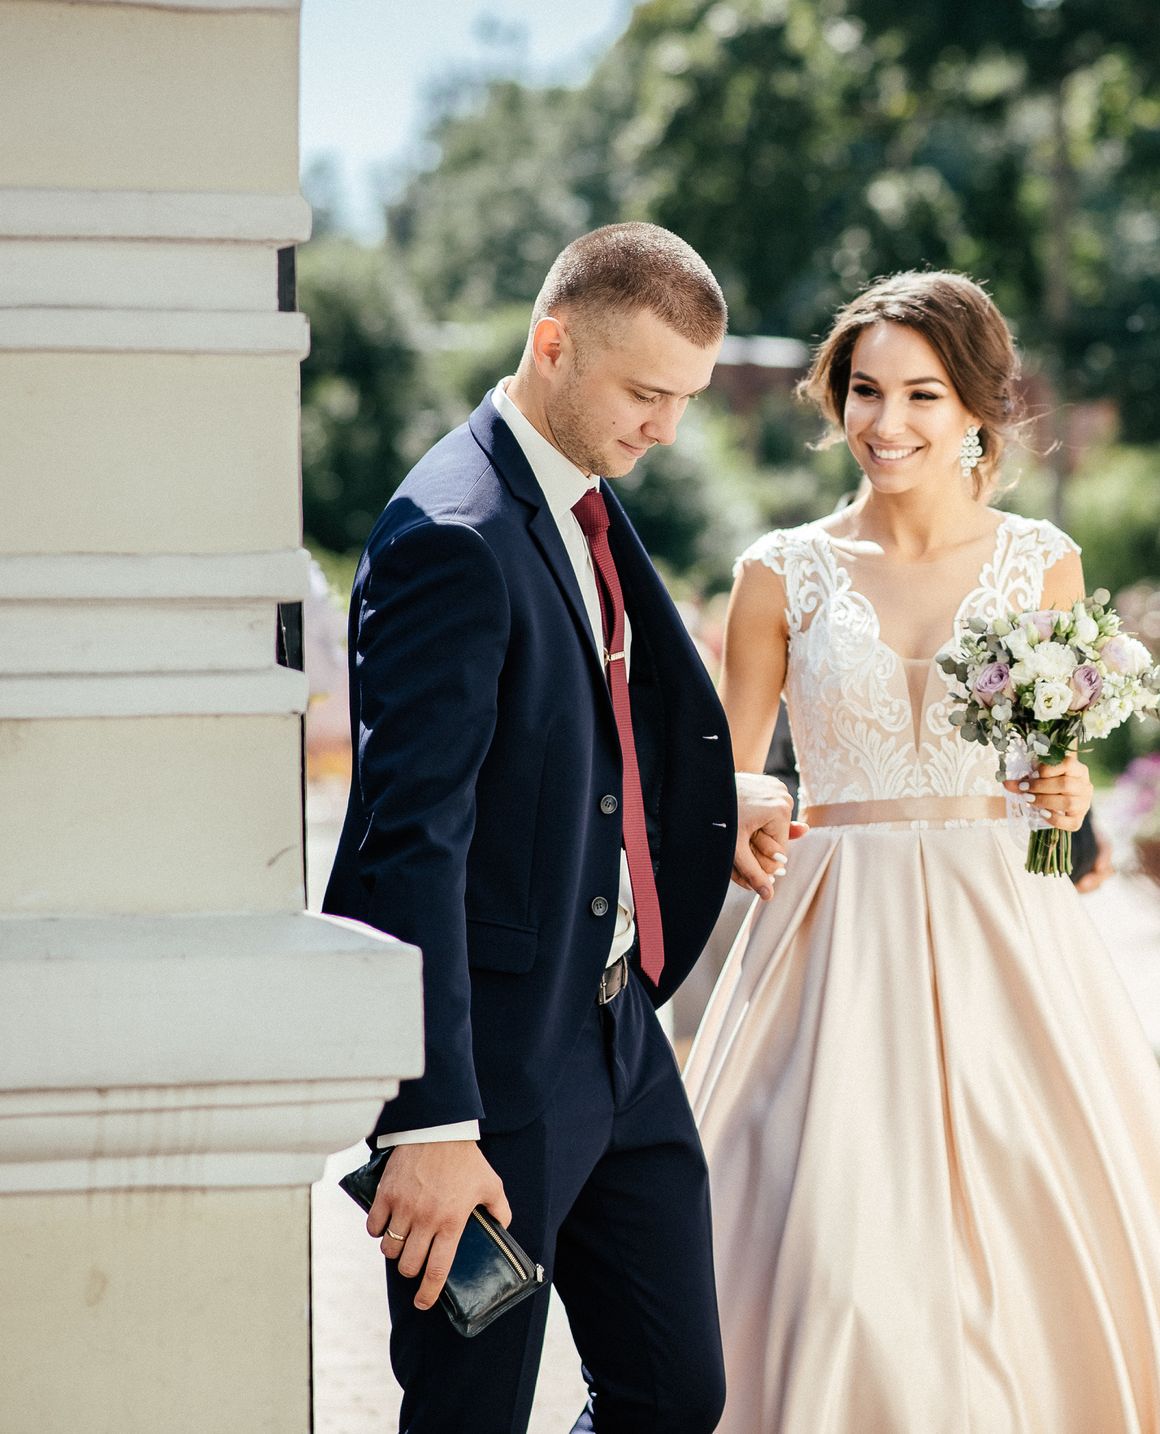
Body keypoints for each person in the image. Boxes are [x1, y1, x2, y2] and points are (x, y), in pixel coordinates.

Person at [684, 272, 1160, 1433]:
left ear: (977, 409)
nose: (887, 423)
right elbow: (728, 780)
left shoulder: (1041, 560)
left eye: (921, 393)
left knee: (1032, 1239)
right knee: (828, 1248)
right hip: (830, 942)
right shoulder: (778, 573)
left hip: (1004, 937)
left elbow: (1060, 818)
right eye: (864, 392)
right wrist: (744, 806)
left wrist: (1066, 799)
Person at [321, 223, 800, 1434]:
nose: (667, 428)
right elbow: (404, 838)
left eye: (684, 398)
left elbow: (581, 735)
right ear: (551, 344)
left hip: (621, 1042)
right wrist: (430, 1119)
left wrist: (703, 808)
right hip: (493, 1074)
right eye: (647, 392)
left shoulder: (579, 496)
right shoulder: (454, 533)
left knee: (672, 1394)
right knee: (470, 1412)